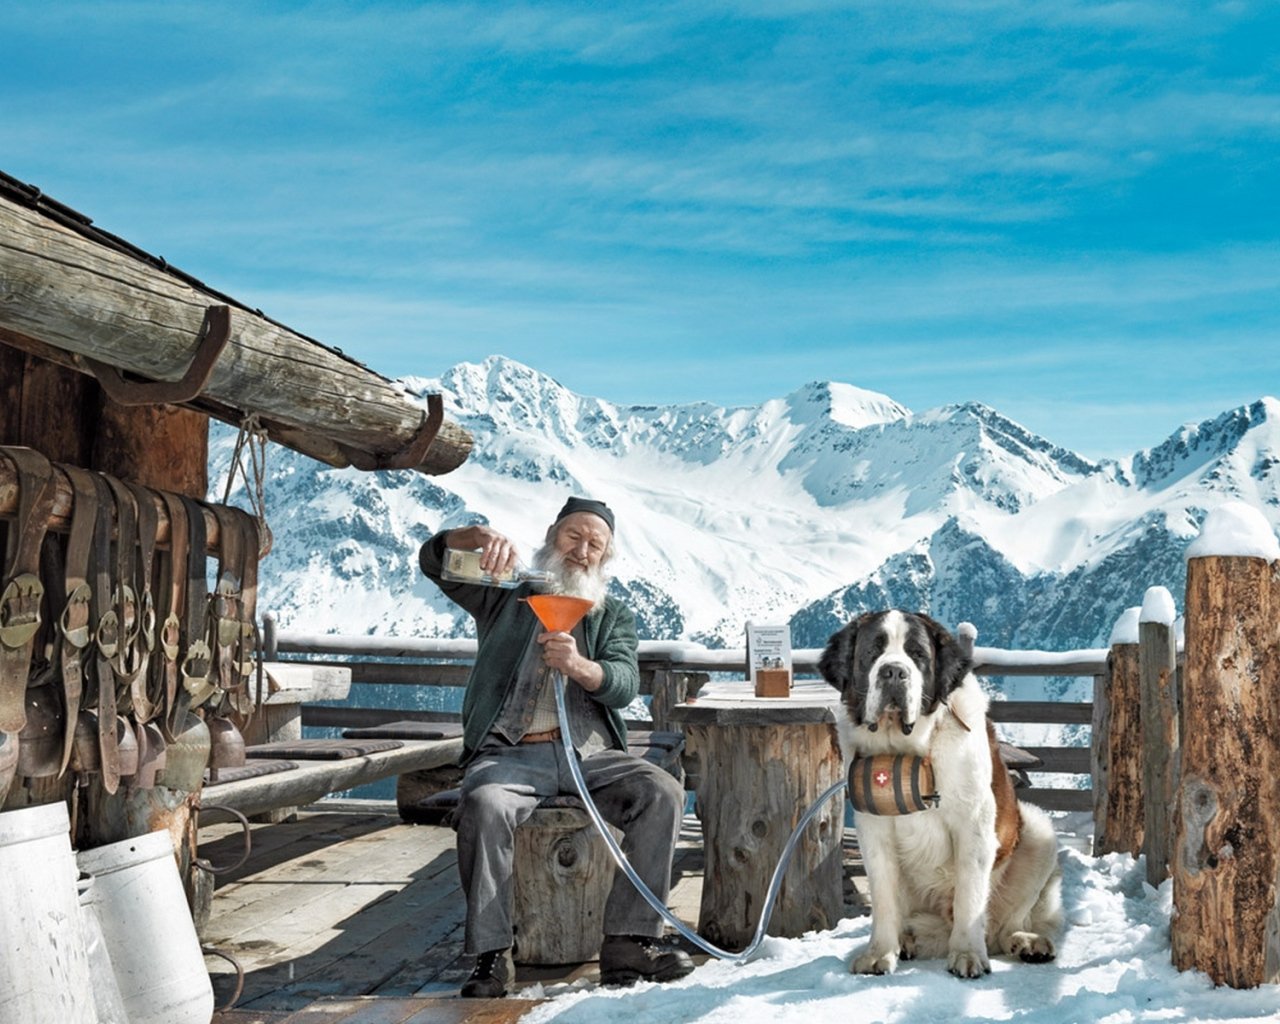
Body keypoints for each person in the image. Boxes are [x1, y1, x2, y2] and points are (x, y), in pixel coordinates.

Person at [419, 496, 694, 998]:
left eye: (595, 544)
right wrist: (475, 537)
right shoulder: (506, 594)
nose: (582, 550)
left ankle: (629, 942)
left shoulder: (612, 614)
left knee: (664, 792)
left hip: (588, 755)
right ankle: (491, 954)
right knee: (483, 803)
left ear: (605, 557)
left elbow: (625, 683)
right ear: (551, 535)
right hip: (508, 753)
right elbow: (433, 563)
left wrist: (581, 668)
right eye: (574, 536)